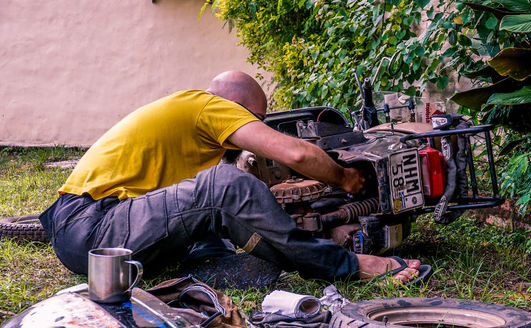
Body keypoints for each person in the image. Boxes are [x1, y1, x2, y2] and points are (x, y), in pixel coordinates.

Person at [40, 71, 421, 285]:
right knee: (223, 186)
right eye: (253, 120)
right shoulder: (208, 106)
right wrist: (344, 178)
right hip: (91, 229)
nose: (250, 129)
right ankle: (346, 265)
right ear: (235, 108)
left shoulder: (186, 123)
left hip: (99, 230)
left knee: (215, 191)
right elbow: (297, 153)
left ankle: (210, 268)